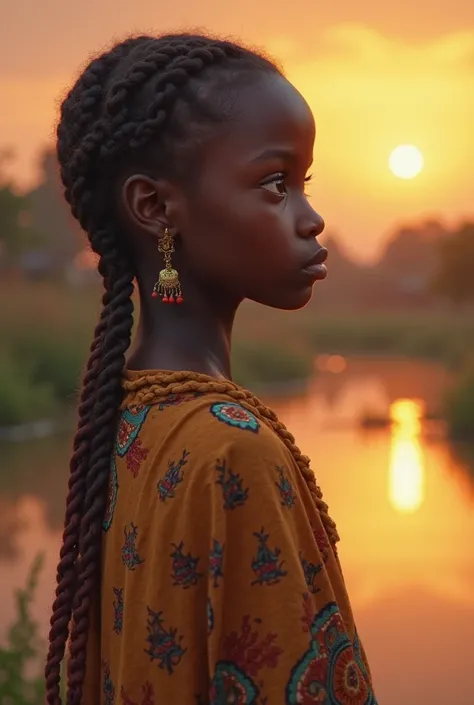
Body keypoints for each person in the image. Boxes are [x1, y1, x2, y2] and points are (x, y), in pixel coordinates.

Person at [45, 33, 378, 705]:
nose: (311, 218)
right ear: (156, 207)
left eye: (304, 182)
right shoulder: (233, 448)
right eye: (274, 183)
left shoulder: (126, 415)